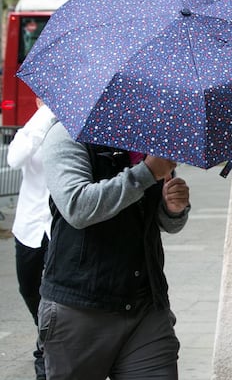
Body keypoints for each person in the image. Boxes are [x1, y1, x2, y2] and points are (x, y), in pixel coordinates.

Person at [38, 118, 191, 380]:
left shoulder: (149, 137)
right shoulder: (66, 133)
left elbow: (161, 221)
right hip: (80, 307)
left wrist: (173, 209)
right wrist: (145, 173)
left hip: (146, 307)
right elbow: (77, 206)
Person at [7, 98, 56, 380]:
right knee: (28, 287)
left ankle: (46, 348)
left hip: (59, 228)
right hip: (29, 225)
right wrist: (42, 121)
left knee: (52, 292)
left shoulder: (70, 129)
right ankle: (46, 333)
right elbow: (15, 158)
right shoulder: (31, 129)